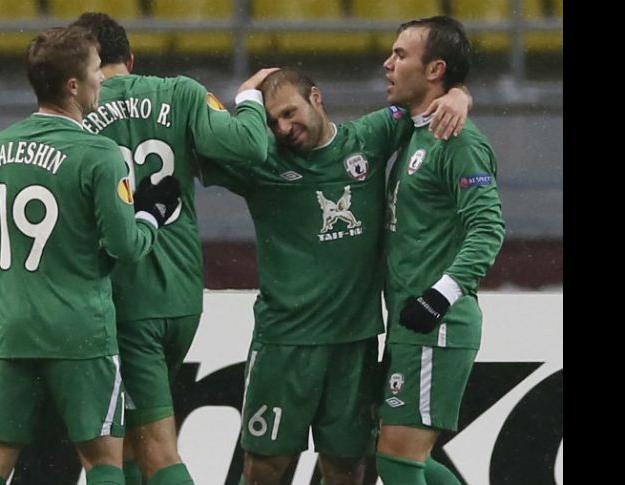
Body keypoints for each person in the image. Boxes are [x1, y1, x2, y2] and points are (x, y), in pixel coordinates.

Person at [197, 68, 471, 485]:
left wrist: (459, 95)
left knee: (346, 470)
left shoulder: (370, 137)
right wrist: (245, 98)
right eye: (272, 121)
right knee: (265, 470)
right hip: (285, 344)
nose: (284, 128)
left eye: (290, 112)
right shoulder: (261, 160)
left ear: (316, 97)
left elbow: (424, 100)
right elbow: (197, 141)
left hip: (355, 344)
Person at [0, 25, 181, 485]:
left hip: (14, 331)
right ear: (73, 85)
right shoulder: (98, 153)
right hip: (80, 334)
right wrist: (151, 215)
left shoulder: (1, 146)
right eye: (93, 71)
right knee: (102, 460)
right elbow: (126, 246)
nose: (101, 79)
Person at [68, 12, 276, 485]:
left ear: (84, 64)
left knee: (151, 451)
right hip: (182, 294)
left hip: (123, 296)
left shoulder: (74, 112)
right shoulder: (179, 93)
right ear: (132, 58)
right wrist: (247, 98)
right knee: (133, 450)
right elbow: (250, 146)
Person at [376, 17, 505, 485]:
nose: (387, 64)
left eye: (401, 55)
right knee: (395, 455)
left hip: (437, 322)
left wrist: (440, 296)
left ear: (435, 70)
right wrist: (460, 92)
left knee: (396, 458)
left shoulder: (459, 140)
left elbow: (489, 227)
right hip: (412, 323)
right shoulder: (417, 130)